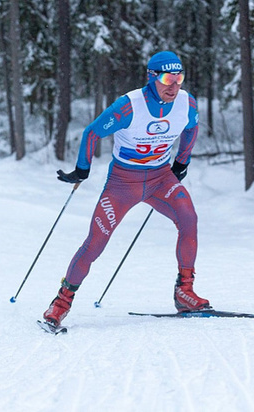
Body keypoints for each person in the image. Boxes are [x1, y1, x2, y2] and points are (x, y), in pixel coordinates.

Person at [43, 51, 210, 327]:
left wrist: (182, 161)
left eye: (179, 77)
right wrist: (82, 169)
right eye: (168, 78)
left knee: (189, 219)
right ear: (152, 77)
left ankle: (184, 292)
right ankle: (61, 303)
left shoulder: (186, 103)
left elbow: (192, 127)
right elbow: (92, 132)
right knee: (95, 243)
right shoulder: (129, 106)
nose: (174, 85)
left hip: (160, 180)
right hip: (123, 184)